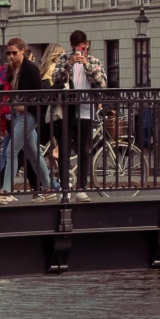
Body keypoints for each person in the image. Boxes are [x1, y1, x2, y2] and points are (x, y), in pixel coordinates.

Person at [0, 39, 55, 201]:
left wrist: (25, 106)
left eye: (14, 53)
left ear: (23, 51)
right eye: (8, 53)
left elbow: (41, 95)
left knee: (12, 152)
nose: (11, 56)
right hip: (18, 115)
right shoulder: (13, 69)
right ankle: (49, 188)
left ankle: (5, 192)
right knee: (34, 154)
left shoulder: (31, 69)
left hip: (29, 115)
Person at [53, 31, 106, 197]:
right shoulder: (63, 59)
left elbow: (102, 83)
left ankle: (82, 188)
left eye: (82, 48)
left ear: (87, 45)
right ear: (71, 47)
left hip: (86, 109)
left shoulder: (94, 61)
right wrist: (69, 64)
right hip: (68, 109)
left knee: (85, 150)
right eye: (76, 48)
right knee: (65, 150)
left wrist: (86, 66)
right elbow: (56, 79)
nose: (79, 51)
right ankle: (65, 188)